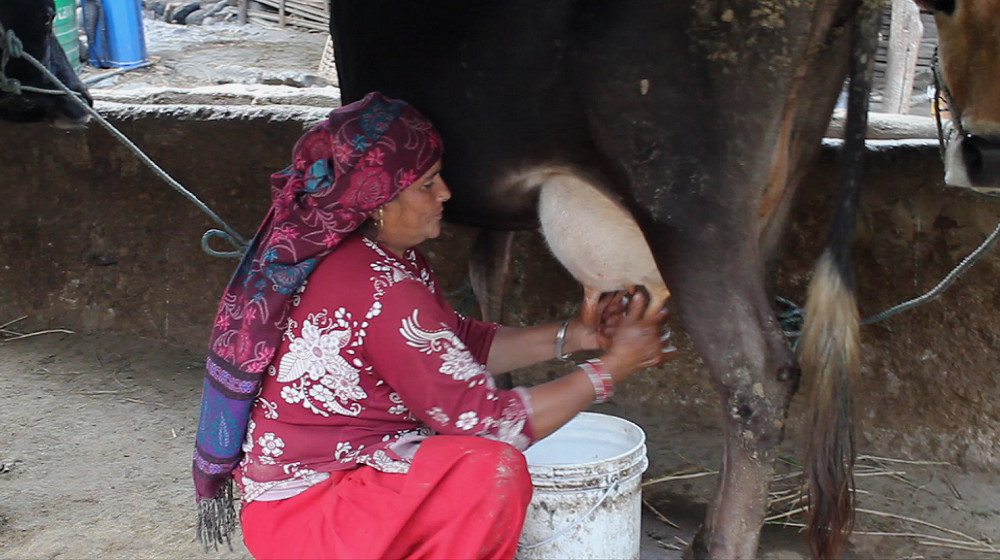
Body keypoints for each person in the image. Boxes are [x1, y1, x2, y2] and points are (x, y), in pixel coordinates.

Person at [193, 91, 674, 560]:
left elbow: (456, 344)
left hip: (315, 493)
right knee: (487, 470)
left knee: (461, 461)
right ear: (379, 200)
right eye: (428, 183)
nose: (445, 193)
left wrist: (578, 335)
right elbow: (489, 424)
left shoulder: (368, 258)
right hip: (315, 515)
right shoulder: (382, 288)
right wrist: (612, 368)